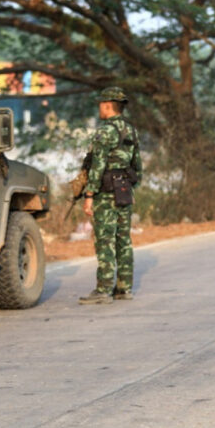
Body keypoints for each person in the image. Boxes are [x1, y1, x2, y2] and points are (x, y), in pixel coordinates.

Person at [77, 87, 143, 305]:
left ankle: (103, 290)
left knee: (105, 240)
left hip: (106, 193)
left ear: (107, 105)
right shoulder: (131, 130)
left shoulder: (105, 131)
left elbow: (98, 166)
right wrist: (132, 188)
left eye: (100, 105)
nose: (100, 109)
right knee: (123, 240)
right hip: (125, 190)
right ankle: (124, 288)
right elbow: (137, 166)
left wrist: (89, 194)